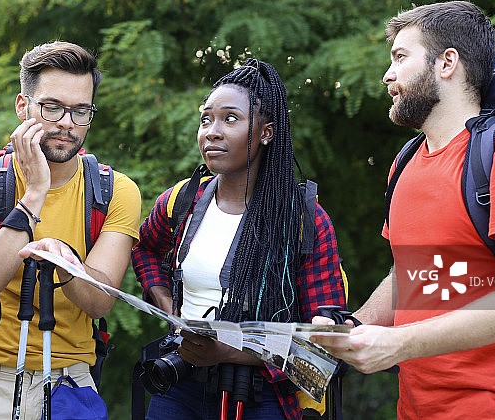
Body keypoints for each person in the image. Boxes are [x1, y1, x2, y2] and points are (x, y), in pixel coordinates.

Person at [312, 1, 495, 419]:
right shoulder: (405, 162)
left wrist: (399, 343)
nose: (387, 75)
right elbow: (411, 273)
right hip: (415, 408)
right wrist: (355, 327)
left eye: (400, 57)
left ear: (447, 63)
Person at [132, 58, 346, 420]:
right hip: (179, 385)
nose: (212, 132)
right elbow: (145, 249)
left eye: (230, 119)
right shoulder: (183, 200)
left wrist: (229, 352)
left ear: (266, 132)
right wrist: (168, 306)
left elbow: (325, 341)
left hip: (262, 396)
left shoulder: (302, 220)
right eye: (206, 119)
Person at [0, 40, 141, 419]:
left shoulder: (116, 191)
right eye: (52, 107)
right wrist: (34, 195)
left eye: (81, 111)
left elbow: (101, 303)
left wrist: (68, 265)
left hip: (71, 382)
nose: (66, 122)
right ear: (23, 106)